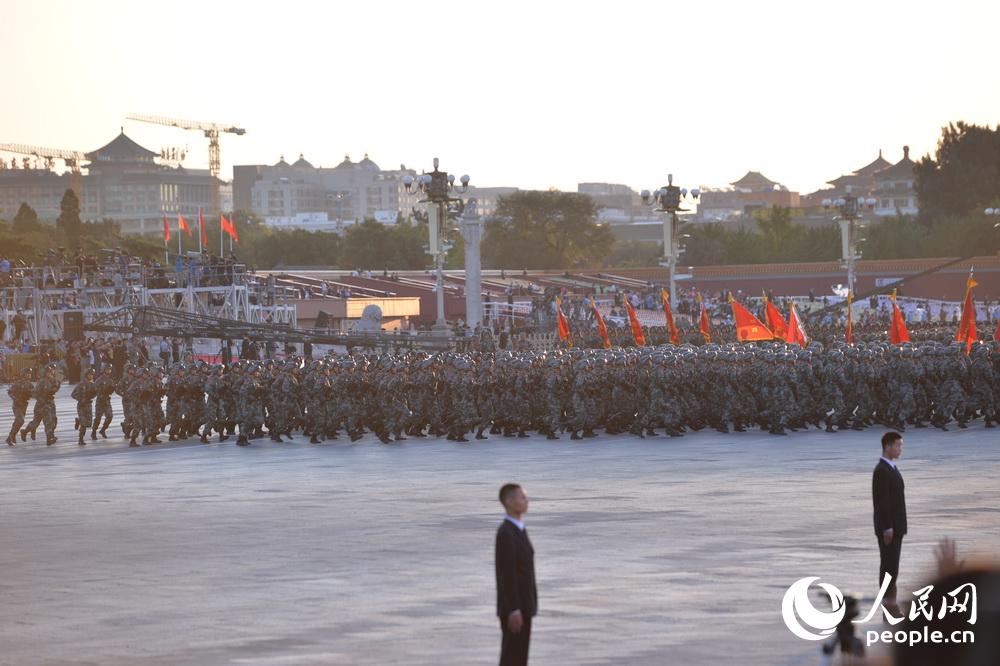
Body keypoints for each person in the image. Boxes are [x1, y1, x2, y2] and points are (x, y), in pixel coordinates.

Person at [495, 483, 537, 666]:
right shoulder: (506, 533)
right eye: (522, 497)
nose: (527, 501)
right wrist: (514, 609)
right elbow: (508, 574)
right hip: (515, 609)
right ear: (509, 501)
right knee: (512, 658)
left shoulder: (519, 529)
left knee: (520, 659)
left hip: (524, 605)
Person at [873, 431, 907, 616]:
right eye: (897, 445)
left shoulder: (891, 468)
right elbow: (882, 501)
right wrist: (887, 527)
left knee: (892, 568)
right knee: (888, 568)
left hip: (896, 527)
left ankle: (891, 607)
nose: (900, 449)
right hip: (889, 529)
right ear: (887, 446)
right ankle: (889, 609)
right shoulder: (882, 470)